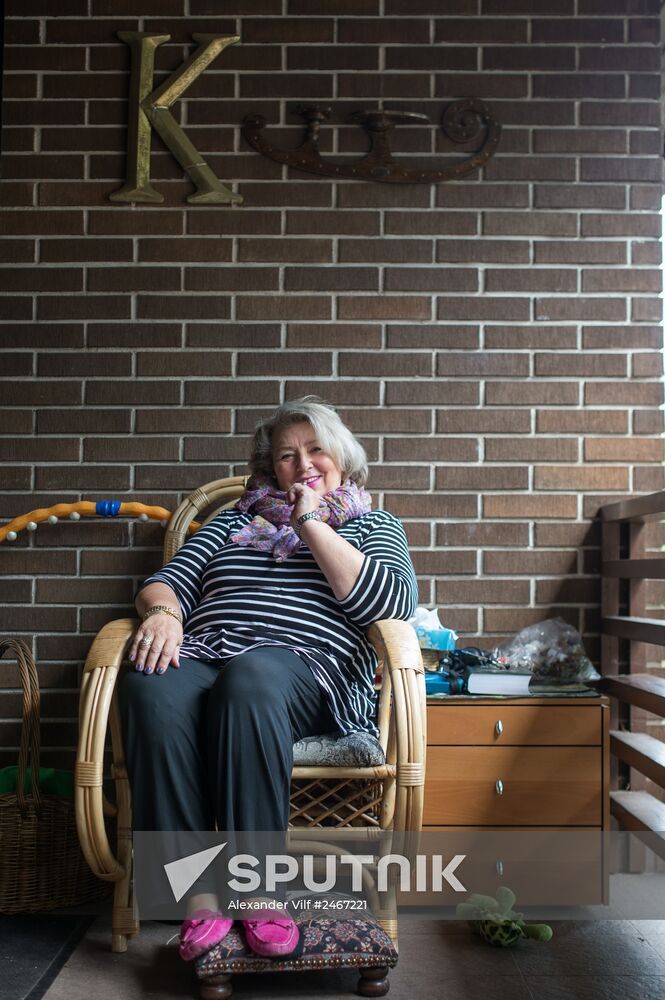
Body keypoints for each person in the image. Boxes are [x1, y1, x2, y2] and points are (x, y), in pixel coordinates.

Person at [118, 396, 418, 962]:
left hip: (303, 667)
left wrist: (308, 521)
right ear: (269, 468)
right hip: (207, 652)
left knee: (250, 679)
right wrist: (163, 615)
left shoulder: (373, 524)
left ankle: (257, 894)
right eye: (287, 455)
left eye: (314, 449)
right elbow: (166, 582)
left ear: (341, 458)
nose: (302, 464)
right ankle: (198, 896)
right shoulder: (233, 521)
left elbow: (387, 601)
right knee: (150, 685)